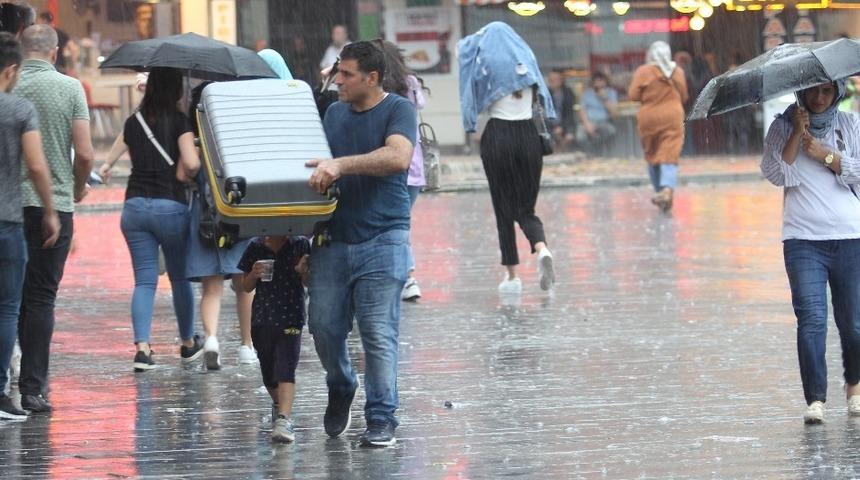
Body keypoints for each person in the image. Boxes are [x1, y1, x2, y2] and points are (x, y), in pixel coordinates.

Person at [305, 41, 416, 447]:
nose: (338, 81)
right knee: (323, 327)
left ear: (372, 77)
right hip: (332, 238)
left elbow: (398, 158)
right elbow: (310, 162)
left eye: (346, 74)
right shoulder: (333, 113)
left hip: (384, 237)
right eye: (337, 72)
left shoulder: (398, 109)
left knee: (378, 331)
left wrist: (341, 165)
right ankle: (341, 382)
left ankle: (382, 416)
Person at [761, 79, 860, 424]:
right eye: (814, 91)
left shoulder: (850, 125)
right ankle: (815, 399)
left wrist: (826, 154)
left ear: (838, 93)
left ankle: (855, 388)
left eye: (827, 91)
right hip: (802, 240)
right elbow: (775, 173)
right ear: (802, 92)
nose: (819, 98)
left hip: (851, 237)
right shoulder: (782, 125)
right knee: (812, 320)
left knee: (853, 323)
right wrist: (796, 134)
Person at [99, 67, 203, 372]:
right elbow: (193, 164)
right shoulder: (179, 121)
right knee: (179, 277)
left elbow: (118, 148)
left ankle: (142, 349)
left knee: (144, 281)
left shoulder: (135, 120)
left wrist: (106, 166)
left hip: (134, 208)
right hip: (169, 206)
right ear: (175, 90)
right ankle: (187, 343)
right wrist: (187, 164)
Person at [13, 25, 93, 413]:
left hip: (8, 204)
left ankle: (7, 378)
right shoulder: (70, 88)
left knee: (10, 298)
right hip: (54, 205)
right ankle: (33, 387)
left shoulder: (7, 87)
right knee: (41, 297)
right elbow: (86, 153)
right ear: (55, 52)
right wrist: (76, 187)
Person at [458, 22, 556, 295]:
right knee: (525, 208)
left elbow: (474, 99)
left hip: (498, 136)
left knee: (503, 207)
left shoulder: (486, 66)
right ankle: (541, 247)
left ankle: (512, 274)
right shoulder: (527, 63)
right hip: (529, 138)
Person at [0, 31, 59, 421]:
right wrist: (51, 209)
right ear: (11, 70)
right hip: (6, 220)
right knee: (7, 308)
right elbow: (37, 166)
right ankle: (1, 394)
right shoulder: (18, 109)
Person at [184, 81, 255, 370]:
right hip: (236, 214)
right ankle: (247, 346)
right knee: (244, 284)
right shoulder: (235, 135)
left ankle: (212, 339)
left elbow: (186, 172)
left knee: (211, 287)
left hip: (205, 218)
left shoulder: (193, 137)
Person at [238, 235, 310, 443]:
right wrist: (253, 273)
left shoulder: (300, 244)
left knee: (286, 368)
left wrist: (303, 271)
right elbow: (246, 286)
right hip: (263, 318)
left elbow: (309, 281)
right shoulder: (255, 246)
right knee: (268, 371)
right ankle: (279, 405)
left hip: (292, 317)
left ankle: (284, 419)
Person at [374, 39, 427, 301]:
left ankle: (405, 276)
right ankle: (407, 277)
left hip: (390, 163)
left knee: (389, 224)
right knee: (401, 223)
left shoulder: (376, 87)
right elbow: (422, 106)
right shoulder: (411, 84)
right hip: (414, 167)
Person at [628, 41, 688, 212]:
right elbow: (684, 96)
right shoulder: (677, 71)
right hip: (672, 116)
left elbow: (633, 95)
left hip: (649, 117)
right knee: (669, 153)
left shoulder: (643, 71)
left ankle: (659, 190)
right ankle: (667, 189)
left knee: (652, 153)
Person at [576, 70, 618, 155]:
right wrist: (587, 124)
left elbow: (614, 114)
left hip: (604, 122)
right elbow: (582, 111)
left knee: (611, 131)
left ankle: (606, 156)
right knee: (580, 136)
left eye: (601, 81)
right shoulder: (587, 94)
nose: (599, 84)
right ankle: (590, 155)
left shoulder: (611, 93)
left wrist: (605, 99)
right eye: (596, 81)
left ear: (605, 82)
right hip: (589, 122)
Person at [546, 70, 576, 152]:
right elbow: (543, 114)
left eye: (555, 79)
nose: (552, 82)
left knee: (570, 136)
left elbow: (569, 113)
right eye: (550, 80)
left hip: (566, 124)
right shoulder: (545, 94)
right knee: (547, 137)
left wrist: (562, 127)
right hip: (550, 125)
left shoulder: (568, 93)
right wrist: (554, 127)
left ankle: (565, 152)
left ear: (561, 80)